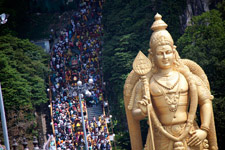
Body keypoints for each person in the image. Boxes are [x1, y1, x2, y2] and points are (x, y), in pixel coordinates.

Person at [124, 13, 217, 150]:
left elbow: (205, 101)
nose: (165, 57)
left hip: (190, 133)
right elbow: (135, 114)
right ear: (152, 56)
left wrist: (204, 129)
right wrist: (143, 111)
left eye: (168, 52)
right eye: (160, 53)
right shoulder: (145, 82)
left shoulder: (187, 76)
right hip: (160, 137)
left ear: (174, 52)